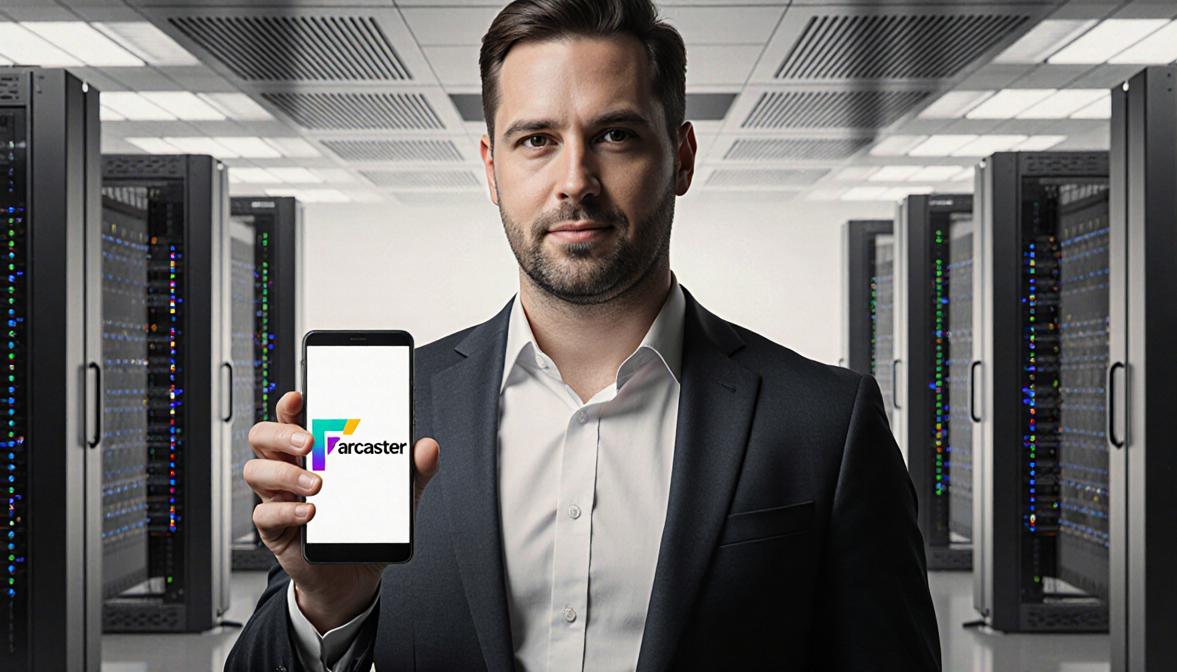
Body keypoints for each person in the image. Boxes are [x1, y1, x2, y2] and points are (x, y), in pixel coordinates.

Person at [226, 0, 942, 669]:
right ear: (492, 169)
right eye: (537, 140)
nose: (576, 180)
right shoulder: (394, 411)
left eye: (615, 135)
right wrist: (325, 606)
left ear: (682, 156)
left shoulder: (826, 423)